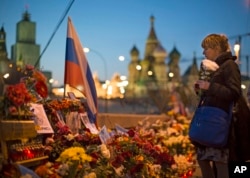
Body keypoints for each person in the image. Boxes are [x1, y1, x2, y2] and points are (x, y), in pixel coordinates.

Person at [193, 33, 241, 178]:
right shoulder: (216, 67)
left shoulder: (229, 66)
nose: (203, 52)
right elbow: (215, 92)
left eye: (206, 48)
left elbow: (234, 92)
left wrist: (209, 86)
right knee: (203, 159)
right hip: (210, 120)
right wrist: (200, 90)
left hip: (218, 122)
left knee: (220, 164)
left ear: (216, 48)